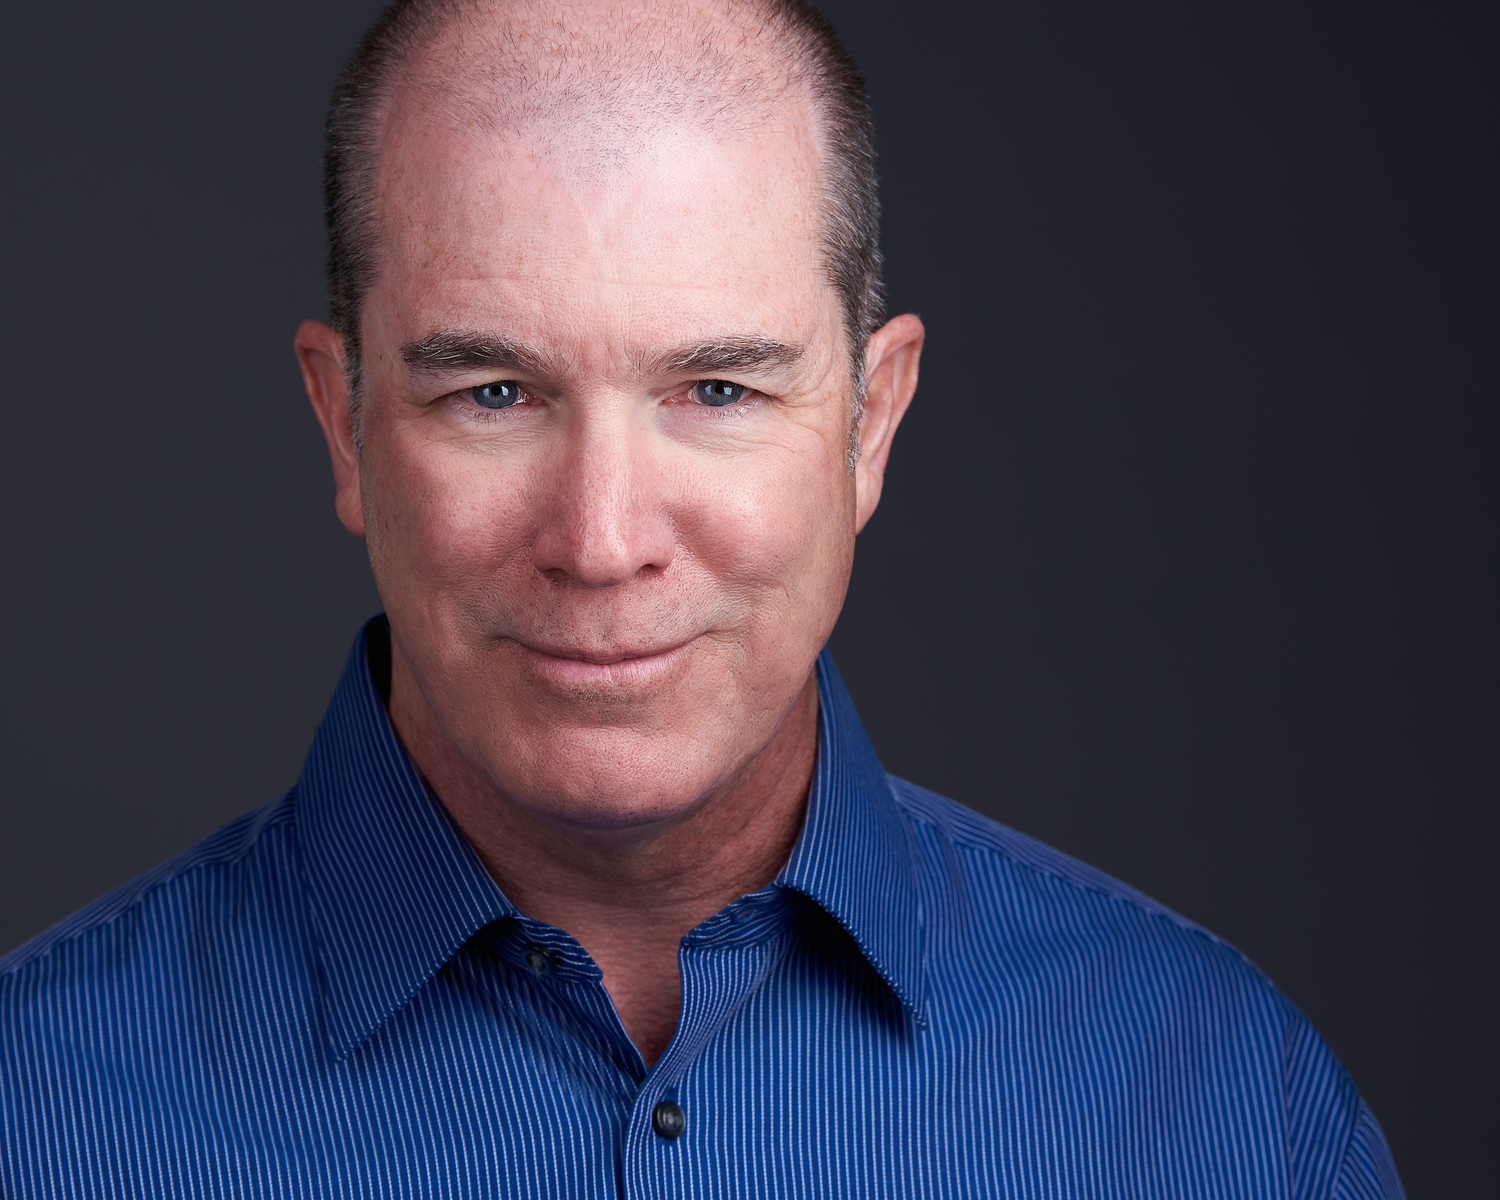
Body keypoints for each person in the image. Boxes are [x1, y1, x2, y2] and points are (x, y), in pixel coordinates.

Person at [0, 0, 1403, 1194]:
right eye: (493, 393)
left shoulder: (1224, 1102)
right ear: (344, 424)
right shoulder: (33, 1110)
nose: (602, 540)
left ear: (870, 422)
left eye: (718, 390)